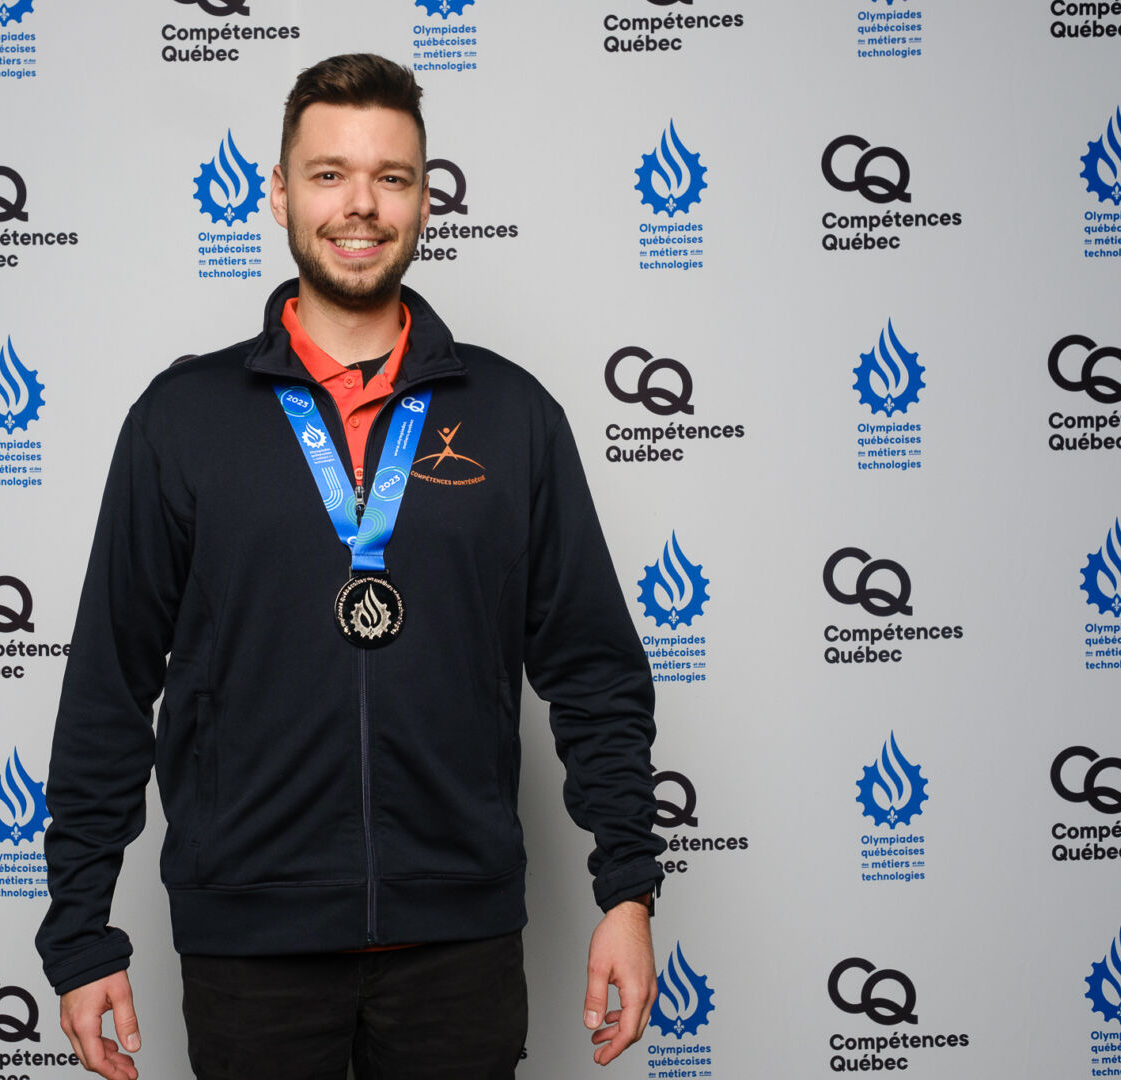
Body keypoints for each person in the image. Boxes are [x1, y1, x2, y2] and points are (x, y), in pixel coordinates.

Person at [36, 53, 665, 1080]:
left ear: (426, 198)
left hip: (457, 947)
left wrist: (628, 893)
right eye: (328, 174)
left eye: (392, 176)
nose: (360, 204)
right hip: (250, 948)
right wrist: (80, 935)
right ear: (279, 193)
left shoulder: (514, 417)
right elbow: (110, 686)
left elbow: (595, 672)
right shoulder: (180, 422)